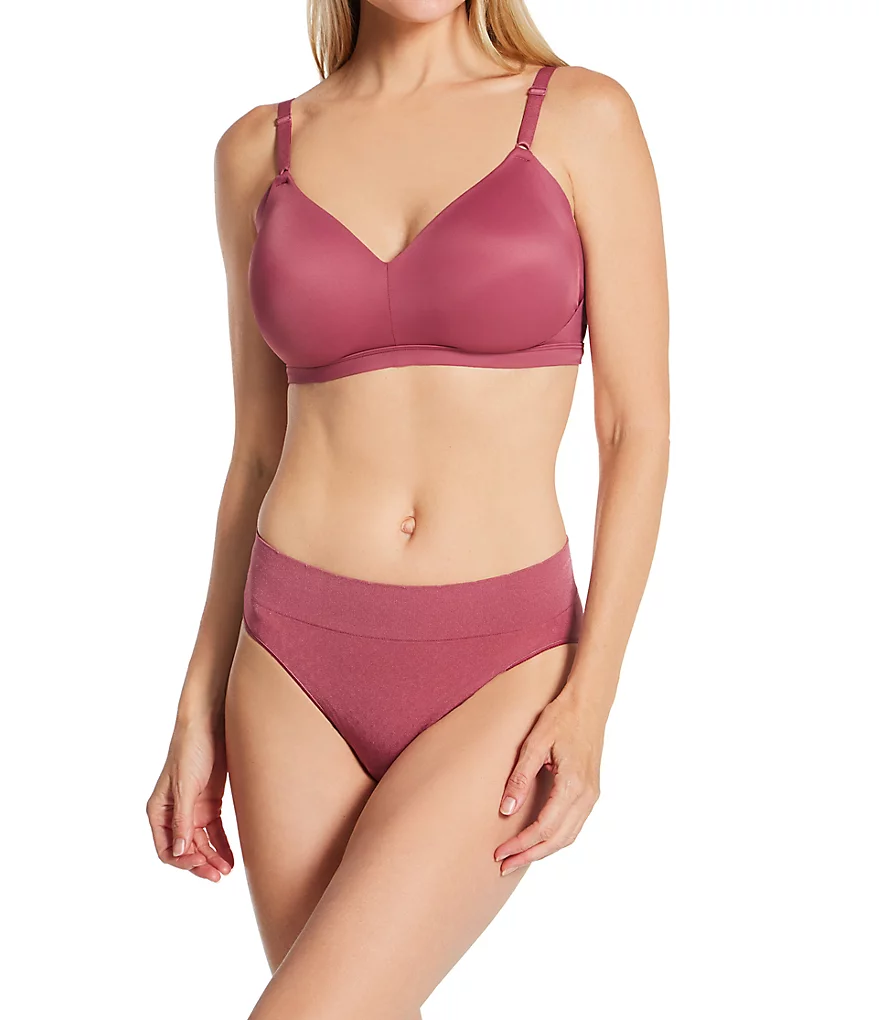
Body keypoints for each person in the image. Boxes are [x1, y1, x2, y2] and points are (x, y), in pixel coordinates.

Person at [146, 1, 669, 1016]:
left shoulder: (579, 116)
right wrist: (196, 703)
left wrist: (591, 697)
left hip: (501, 661)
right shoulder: (258, 149)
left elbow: (632, 430)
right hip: (290, 663)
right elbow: (255, 452)